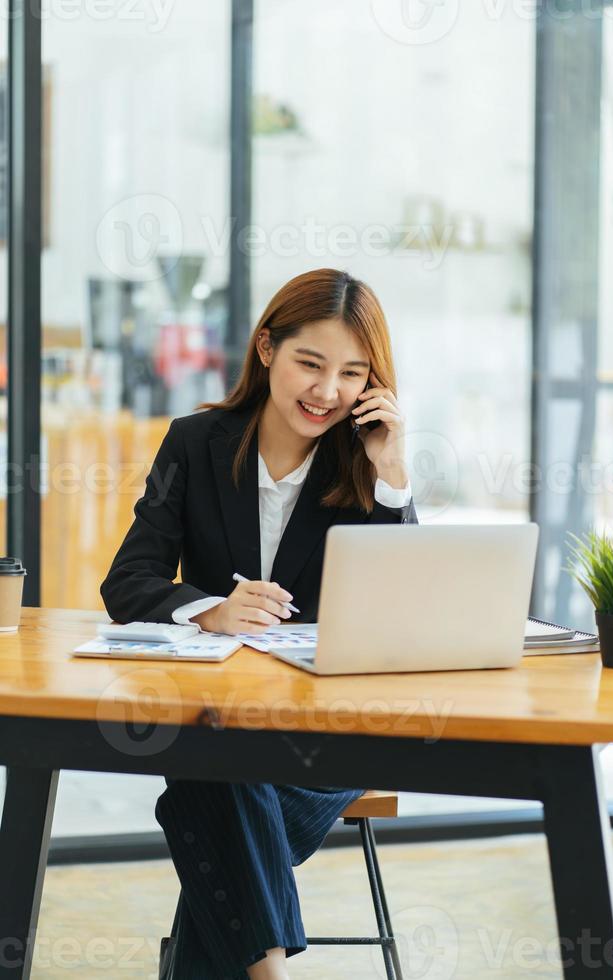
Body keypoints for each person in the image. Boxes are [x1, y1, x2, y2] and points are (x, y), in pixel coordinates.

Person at [101, 267, 418, 979]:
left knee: (206, 786)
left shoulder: (367, 467)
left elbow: (404, 612)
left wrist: (394, 471)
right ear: (267, 348)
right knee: (224, 767)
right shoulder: (194, 443)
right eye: (310, 362)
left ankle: (262, 966)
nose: (326, 391)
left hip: (335, 729)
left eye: (350, 373)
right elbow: (128, 581)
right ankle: (268, 968)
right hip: (228, 714)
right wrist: (208, 610)